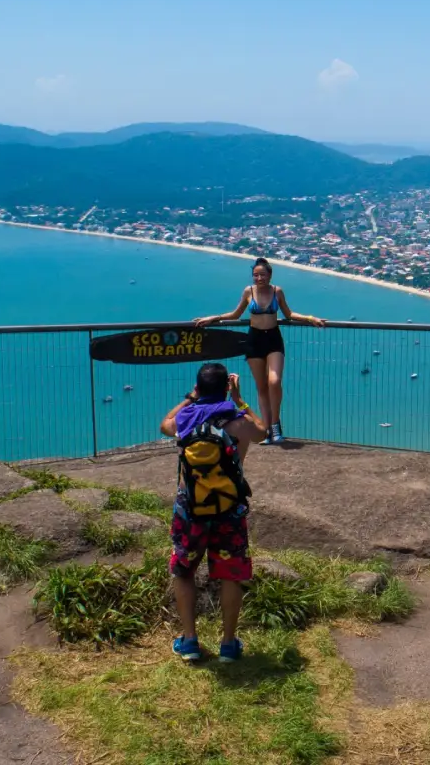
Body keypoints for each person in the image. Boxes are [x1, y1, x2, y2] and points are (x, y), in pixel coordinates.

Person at [160, 362, 268, 663]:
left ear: (198, 388)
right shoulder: (237, 419)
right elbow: (262, 431)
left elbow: (163, 423)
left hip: (191, 509)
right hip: (229, 509)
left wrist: (190, 398)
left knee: (184, 571)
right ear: (225, 388)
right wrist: (239, 399)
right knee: (230, 575)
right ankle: (229, 644)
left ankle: (190, 641)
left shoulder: (185, 418)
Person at [192, 257, 325, 445]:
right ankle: (267, 430)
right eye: (256, 275)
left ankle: (276, 424)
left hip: (273, 339)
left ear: (270, 275)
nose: (259, 278)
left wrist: (311, 318)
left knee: (274, 381)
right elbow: (236, 314)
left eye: (262, 274)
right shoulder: (249, 291)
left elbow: (289, 314)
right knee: (261, 387)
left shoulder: (277, 292)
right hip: (254, 340)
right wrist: (213, 318)